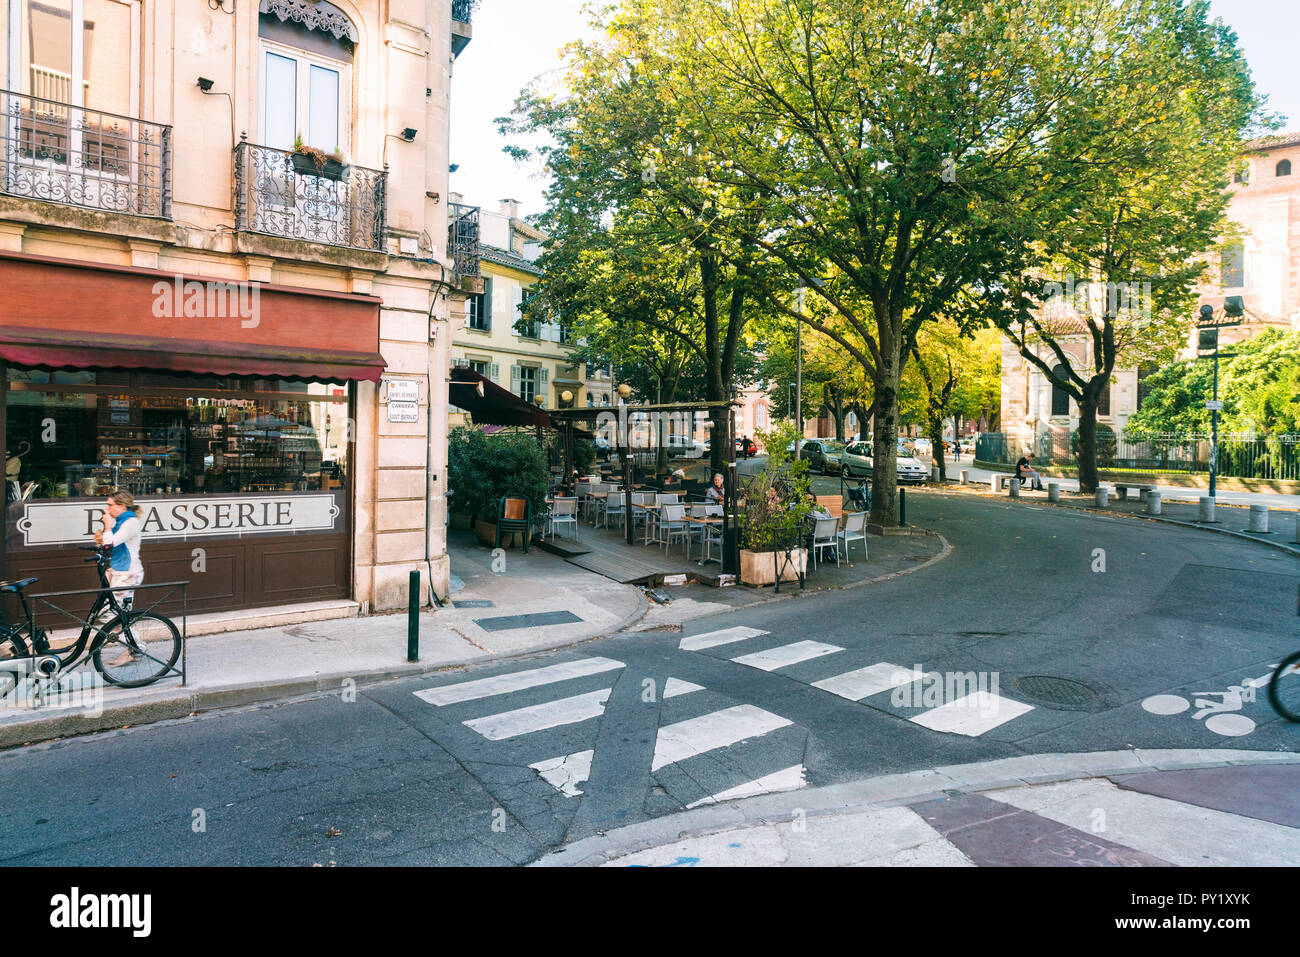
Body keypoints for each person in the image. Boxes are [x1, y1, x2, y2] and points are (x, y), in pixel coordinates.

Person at [97, 489, 145, 663]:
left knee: (110, 614)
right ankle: (132, 650)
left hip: (128, 572)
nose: (107, 508)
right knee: (114, 614)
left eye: (110, 504)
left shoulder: (130, 522)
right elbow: (108, 544)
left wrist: (107, 527)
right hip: (118, 570)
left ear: (122, 506)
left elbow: (111, 543)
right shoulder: (121, 521)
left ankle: (136, 647)